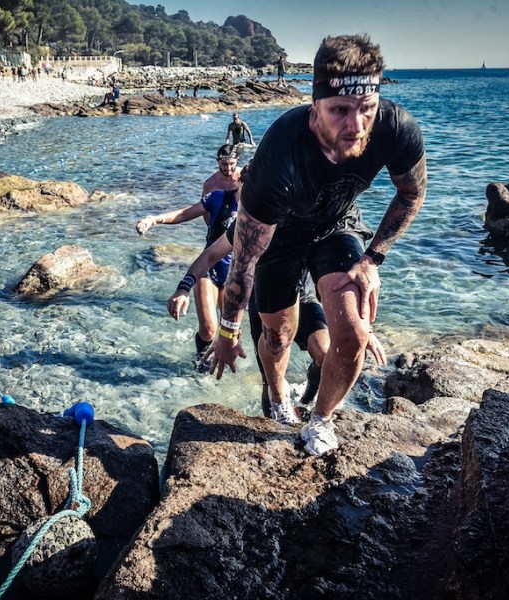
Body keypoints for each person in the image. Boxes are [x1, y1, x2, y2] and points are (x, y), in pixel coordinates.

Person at [206, 34, 427, 456]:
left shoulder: (395, 129)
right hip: (280, 237)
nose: (356, 125)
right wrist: (228, 332)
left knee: (354, 333)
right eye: (340, 110)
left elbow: (412, 193)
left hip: (336, 224)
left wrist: (374, 257)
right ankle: (276, 394)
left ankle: (321, 420)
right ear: (315, 106)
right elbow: (244, 260)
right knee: (277, 336)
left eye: (366, 109)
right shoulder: (278, 158)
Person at [168, 220, 387, 422]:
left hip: (305, 298)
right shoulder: (257, 214)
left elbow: (342, 281)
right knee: (272, 380)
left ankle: (307, 403)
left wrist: (363, 327)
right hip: (266, 302)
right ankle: (278, 420)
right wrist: (184, 287)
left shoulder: (326, 214)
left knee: (325, 351)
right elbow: (211, 255)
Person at [137, 145, 243, 369]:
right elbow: (186, 213)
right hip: (210, 266)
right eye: (224, 163)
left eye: (232, 164)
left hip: (237, 274)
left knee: (231, 333)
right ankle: (200, 363)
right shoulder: (215, 193)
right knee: (209, 329)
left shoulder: (260, 209)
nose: (228, 168)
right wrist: (155, 219)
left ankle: (224, 370)